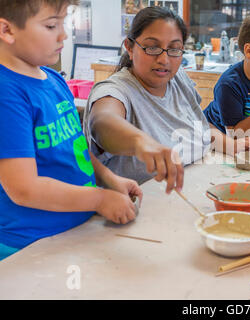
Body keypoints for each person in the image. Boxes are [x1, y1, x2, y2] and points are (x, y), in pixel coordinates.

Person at [0, 0, 142, 261]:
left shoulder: (54, 80)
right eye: (51, 25)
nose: (63, 34)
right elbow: (23, 188)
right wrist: (99, 199)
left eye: (63, 22)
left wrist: (108, 178)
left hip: (77, 231)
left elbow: (76, 148)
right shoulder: (6, 93)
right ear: (7, 30)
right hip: (31, 247)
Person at [83, 6, 250, 192]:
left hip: (197, 186)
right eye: (152, 47)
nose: (164, 59)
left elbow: (199, 128)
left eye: (174, 49)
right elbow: (102, 122)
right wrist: (140, 142)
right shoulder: (116, 91)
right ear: (129, 48)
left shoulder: (177, 79)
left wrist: (232, 145)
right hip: (144, 205)